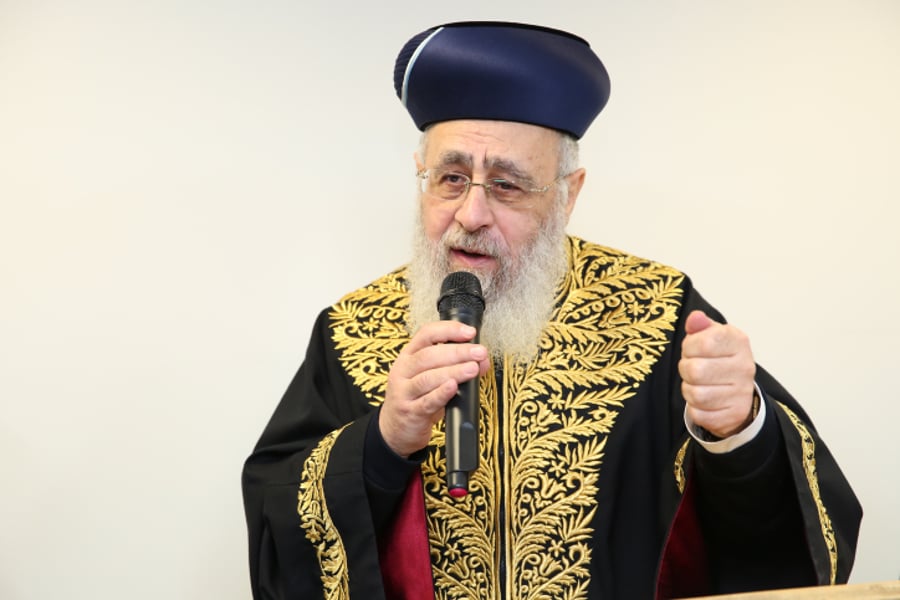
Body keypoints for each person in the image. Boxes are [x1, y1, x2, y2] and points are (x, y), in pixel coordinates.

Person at [242, 21, 862, 599]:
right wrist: (381, 443)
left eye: (506, 185)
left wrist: (739, 430)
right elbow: (277, 525)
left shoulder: (657, 310)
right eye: (451, 178)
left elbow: (785, 535)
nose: (471, 214)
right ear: (421, 175)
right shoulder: (350, 327)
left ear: (568, 194)